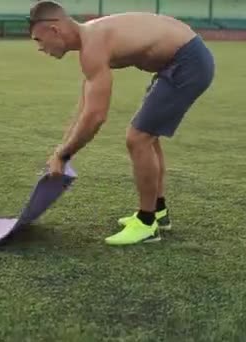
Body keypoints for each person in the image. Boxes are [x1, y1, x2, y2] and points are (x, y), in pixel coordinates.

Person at [30, 0, 215, 245]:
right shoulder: (90, 37)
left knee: (138, 138)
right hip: (179, 60)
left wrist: (64, 156)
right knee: (148, 135)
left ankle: (146, 223)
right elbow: (84, 107)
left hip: (188, 61)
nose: (40, 49)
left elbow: (96, 117)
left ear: (54, 30)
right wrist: (60, 151)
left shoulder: (93, 45)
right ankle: (158, 212)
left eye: (38, 40)